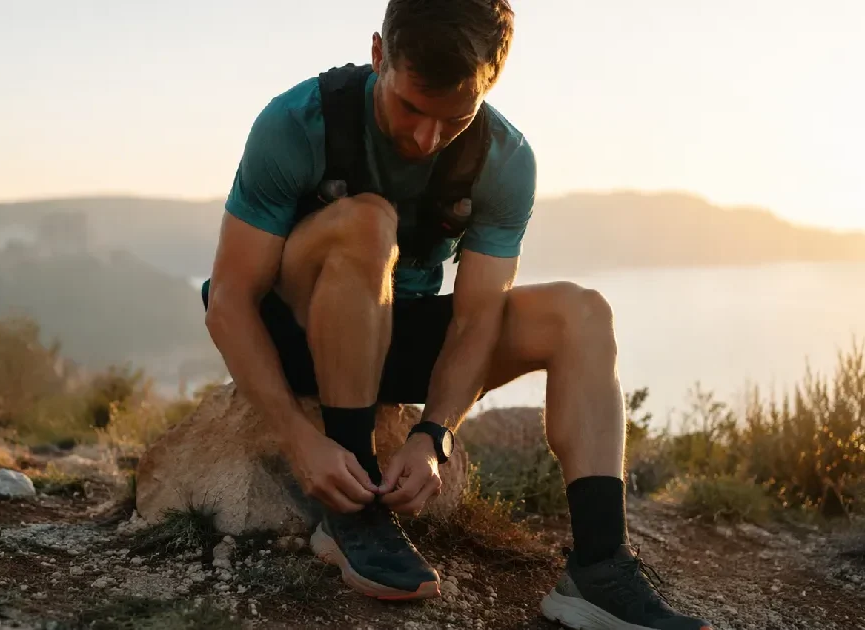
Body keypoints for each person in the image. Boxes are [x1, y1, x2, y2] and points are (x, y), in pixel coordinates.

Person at [201, 1, 713, 628]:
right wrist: (297, 437)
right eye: (411, 108)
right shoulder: (299, 121)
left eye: (454, 119)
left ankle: (599, 567)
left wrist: (433, 434)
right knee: (369, 220)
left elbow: (476, 321)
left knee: (582, 313)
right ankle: (354, 503)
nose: (426, 139)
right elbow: (228, 299)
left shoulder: (504, 158)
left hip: (393, 334)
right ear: (379, 55)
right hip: (296, 329)